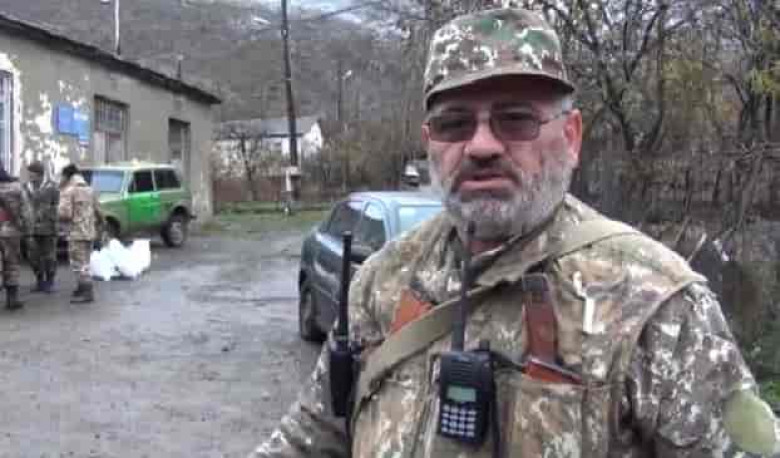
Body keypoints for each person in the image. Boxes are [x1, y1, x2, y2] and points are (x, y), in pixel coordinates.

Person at [251, 8, 779, 458]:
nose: (481, 145)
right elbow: (311, 435)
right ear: (430, 142)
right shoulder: (382, 281)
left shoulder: (655, 302)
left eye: (516, 119)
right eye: (455, 123)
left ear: (571, 136)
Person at [58, 163, 102, 304]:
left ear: (67, 176)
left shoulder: (68, 191)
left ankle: (87, 292)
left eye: (61, 176)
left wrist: (58, 214)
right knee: (85, 262)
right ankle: (81, 288)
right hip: (89, 232)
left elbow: (65, 214)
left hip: (76, 233)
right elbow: (99, 211)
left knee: (78, 264)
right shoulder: (90, 189)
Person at [24, 160, 59, 293]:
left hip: (48, 228)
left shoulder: (52, 187)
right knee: (33, 256)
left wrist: (50, 217)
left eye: (32, 174)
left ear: (39, 174)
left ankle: (50, 282)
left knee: (49, 256)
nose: (29, 176)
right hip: (31, 228)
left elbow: (58, 206)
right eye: (29, 173)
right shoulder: (26, 187)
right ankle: (39, 281)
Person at [0, 164, 31, 310]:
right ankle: (12, 300)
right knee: (12, 263)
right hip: (11, 231)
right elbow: (27, 212)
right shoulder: (16, 188)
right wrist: (27, 230)